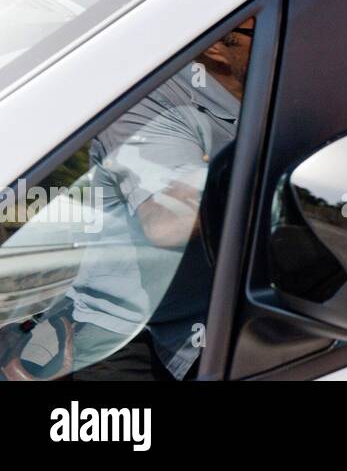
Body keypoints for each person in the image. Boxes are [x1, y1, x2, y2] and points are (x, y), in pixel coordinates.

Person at [0, 19, 254, 380]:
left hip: (226, 323)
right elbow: (169, 223)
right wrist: (253, 162)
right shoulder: (155, 102)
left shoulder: (274, 84)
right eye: (257, 31)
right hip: (129, 341)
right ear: (216, 48)